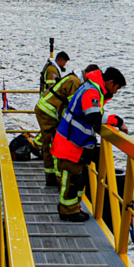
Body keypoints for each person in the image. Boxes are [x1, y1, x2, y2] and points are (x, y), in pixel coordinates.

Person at [51, 66, 128, 222]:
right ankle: (68, 212)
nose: (115, 92)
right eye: (116, 88)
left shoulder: (90, 87)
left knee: (76, 179)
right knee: (72, 180)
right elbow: (93, 116)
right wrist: (116, 121)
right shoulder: (92, 92)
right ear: (110, 82)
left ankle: (72, 208)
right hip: (71, 143)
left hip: (73, 141)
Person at [34, 55, 80, 187]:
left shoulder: (52, 68)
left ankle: (50, 176)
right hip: (49, 109)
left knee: (48, 142)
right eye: (65, 62)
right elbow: (71, 105)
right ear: (61, 60)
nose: (65, 65)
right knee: (51, 144)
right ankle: (53, 178)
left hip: (47, 105)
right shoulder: (55, 71)